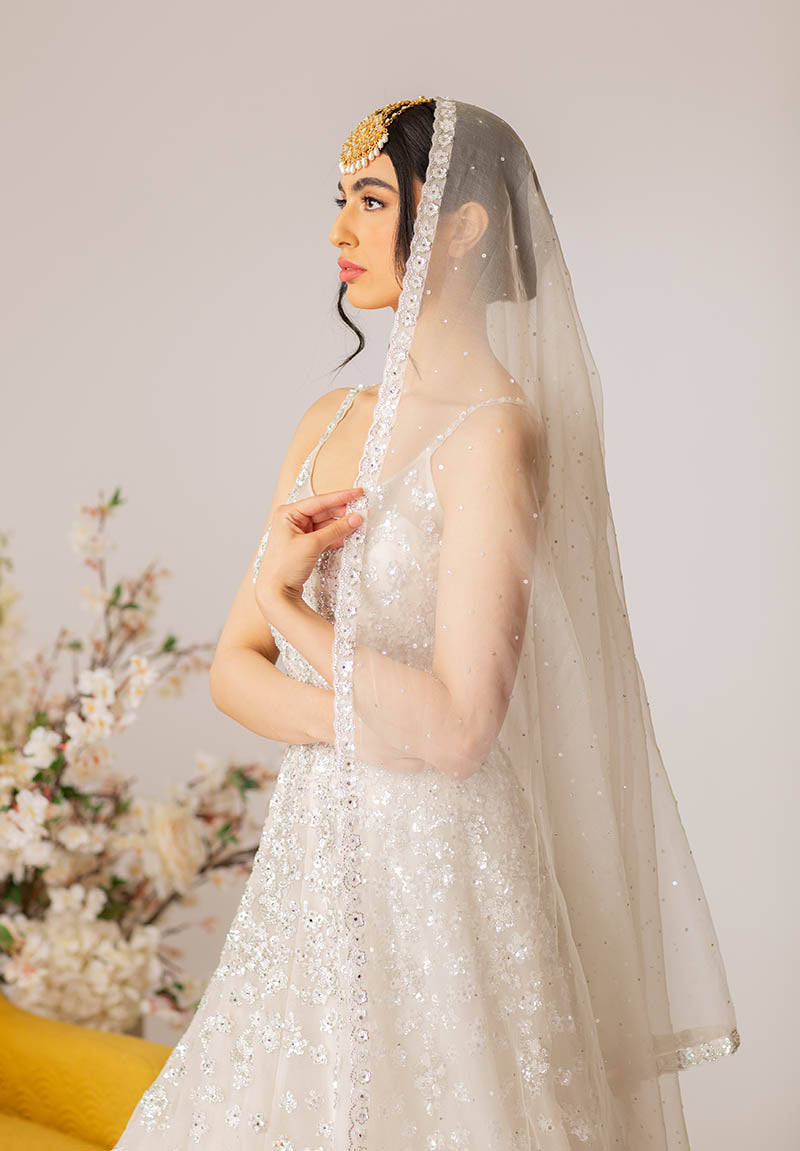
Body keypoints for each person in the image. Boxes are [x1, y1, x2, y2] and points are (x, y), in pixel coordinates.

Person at [111, 96, 740, 1151]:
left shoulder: (494, 433)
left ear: (460, 224)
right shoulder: (326, 420)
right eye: (339, 201)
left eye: (370, 201)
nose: (338, 230)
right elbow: (230, 670)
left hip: (443, 865)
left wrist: (288, 610)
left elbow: (456, 731)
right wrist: (364, 718)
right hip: (314, 860)